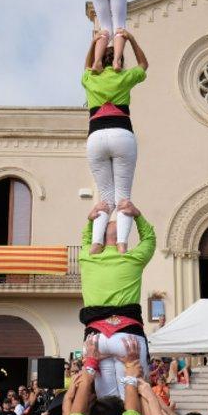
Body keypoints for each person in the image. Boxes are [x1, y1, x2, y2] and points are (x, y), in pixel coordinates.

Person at [80, 27, 149, 254]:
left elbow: (88, 66)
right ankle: (121, 244)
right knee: (123, 199)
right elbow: (143, 65)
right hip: (122, 135)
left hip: (96, 138)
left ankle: (97, 243)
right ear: (117, 61)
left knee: (105, 198)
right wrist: (131, 39)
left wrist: (93, 44)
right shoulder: (124, 77)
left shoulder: (90, 79)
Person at [78, 200, 156, 399]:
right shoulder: (133, 258)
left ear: (100, 239)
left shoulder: (87, 256)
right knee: (135, 398)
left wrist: (91, 219)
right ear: (123, 237)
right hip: (128, 335)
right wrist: (137, 214)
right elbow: (150, 239)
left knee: (106, 403)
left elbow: (87, 240)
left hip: (96, 337)